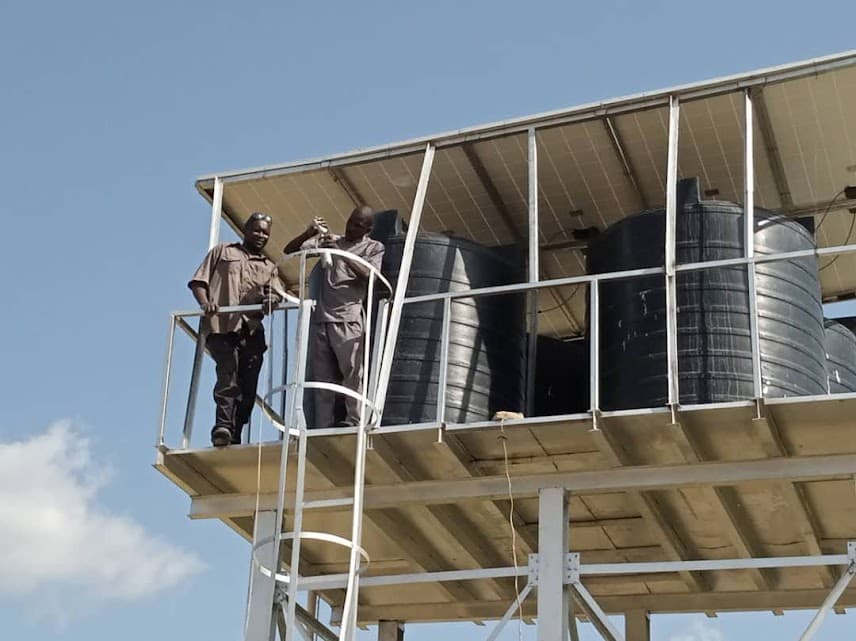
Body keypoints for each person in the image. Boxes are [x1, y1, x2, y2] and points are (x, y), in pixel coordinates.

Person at [189, 212, 284, 447]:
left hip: (251, 330)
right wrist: (205, 304)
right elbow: (199, 282)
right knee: (228, 375)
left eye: (265, 233)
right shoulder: (223, 252)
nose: (261, 235)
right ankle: (222, 426)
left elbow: (275, 294)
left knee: (248, 386)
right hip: (222, 325)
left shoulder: (269, 267)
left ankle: (236, 432)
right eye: (257, 230)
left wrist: (271, 300)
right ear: (246, 229)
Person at [284, 206, 384, 427]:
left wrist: (341, 253)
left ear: (368, 229)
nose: (351, 226)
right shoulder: (332, 240)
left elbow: (370, 276)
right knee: (322, 379)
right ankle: (322, 425)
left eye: (359, 224)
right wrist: (309, 233)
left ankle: (354, 420)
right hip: (322, 319)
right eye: (351, 221)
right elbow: (289, 251)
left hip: (349, 318)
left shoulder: (374, 247)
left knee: (352, 374)